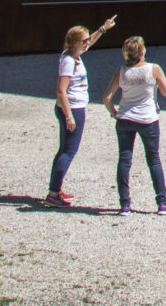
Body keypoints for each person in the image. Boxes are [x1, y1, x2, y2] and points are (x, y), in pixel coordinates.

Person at [48, 14, 115, 207]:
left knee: (63, 150)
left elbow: (90, 41)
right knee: (69, 152)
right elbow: (61, 90)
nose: (87, 43)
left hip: (72, 108)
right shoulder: (69, 61)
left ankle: (55, 189)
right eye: (84, 41)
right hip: (72, 109)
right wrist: (69, 116)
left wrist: (103, 28)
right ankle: (53, 194)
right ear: (75, 42)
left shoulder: (73, 55)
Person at [102, 35, 166, 216]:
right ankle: (162, 202)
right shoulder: (153, 69)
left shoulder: (121, 72)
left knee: (125, 160)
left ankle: (125, 204)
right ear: (143, 52)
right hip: (147, 119)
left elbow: (106, 98)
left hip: (125, 118)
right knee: (153, 159)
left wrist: (114, 112)